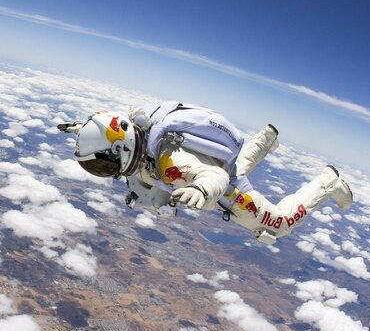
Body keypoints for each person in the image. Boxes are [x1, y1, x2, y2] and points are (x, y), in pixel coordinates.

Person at [58, 101, 353, 245]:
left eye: (103, 165)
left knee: (279, 224)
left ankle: (328, 182)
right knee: (233, 162)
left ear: (122, 149)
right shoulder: (138, 130)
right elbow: (108, 124)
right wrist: (82, 130)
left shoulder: (173, 166)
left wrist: (202, 191)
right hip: (211, 164)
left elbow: (217, 178)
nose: (107, 173)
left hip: (223, 189)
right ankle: (267, 138)